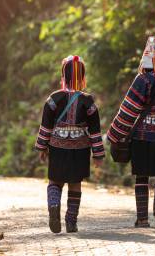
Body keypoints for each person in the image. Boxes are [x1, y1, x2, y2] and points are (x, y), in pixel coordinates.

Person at [107, 33, 155, 228]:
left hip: (142, 137)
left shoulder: (143, 80)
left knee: (142, 176)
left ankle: (142, 218)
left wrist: (115, 134)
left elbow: (129, 109)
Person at [35, 55, 104, 234]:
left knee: (54, 182)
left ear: (63, 76)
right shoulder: (88, 101)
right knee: (75, 183)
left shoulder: (53, 99)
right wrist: (98, 154)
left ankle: (54, 205)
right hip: (80, 149)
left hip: (57, 147)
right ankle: (71, 222)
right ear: (82, 77)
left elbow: (46, 126)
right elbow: (95, 130)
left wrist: (42, 147)